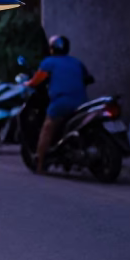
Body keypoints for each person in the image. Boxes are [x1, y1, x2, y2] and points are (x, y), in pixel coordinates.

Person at [27, 35, 94, 174]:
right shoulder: (77, 62)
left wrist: (25, 84)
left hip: (61, 103)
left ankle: (39, 163)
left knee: (47, 127)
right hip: (82, 103)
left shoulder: (48, 63)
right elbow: (88, 78)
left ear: (52, 48)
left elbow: (35, 82)